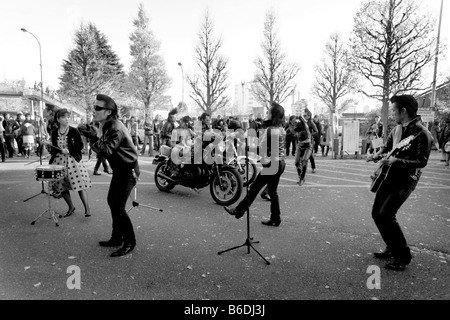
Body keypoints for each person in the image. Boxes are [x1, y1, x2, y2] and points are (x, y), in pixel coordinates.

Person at [367, 95, 432, 271]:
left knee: (387, 214)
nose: (392, 114)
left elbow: (421, 161)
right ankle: (391, 247)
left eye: (394, 110)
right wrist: (376, 156)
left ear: (403, 111)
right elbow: (387, 149)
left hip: (405, 180)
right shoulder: (397, 129)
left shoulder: (422, 134)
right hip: (388, 176)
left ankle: (402, 256)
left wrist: (397, 161)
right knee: (376, 213)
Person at [79, 94, 139, 257]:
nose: (94, 110)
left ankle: (129, 242)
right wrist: (94, 135)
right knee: (112, 202)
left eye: (98, 108)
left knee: (118, 206)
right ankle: (117, 238)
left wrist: (92, 136)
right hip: (120, 169)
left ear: (108, 112)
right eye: (94, 107)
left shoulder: (114, 127)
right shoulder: (107, 125)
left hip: (128, 170)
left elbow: (106, 151)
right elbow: (103, 149)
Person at [224, 102, 286, 227]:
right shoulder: (281, 129)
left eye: (268, 112)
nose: (266, 114)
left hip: (272, 165)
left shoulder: (270, 130)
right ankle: (276, 218)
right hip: (280, 163)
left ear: (272, 115)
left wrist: (246, 147)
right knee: (273, 192)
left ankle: (239, 211)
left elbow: (259, 148)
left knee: (254, 188)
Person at [48, 108, 92, 218]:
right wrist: (56, 149)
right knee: (62, 185)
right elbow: (53, 149)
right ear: (58, 119)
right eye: (63, 117)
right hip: (58, 161)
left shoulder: (74, 130)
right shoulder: (54, 132)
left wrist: (70, 150)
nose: (67, 119)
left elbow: (80, 146)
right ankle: (71, 207)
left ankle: (87, 208)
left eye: (68, 117)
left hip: (73, 160)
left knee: (79, 184)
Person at [294, 116, 312, 186]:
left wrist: (300, 117)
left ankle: (302, 178)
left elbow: (304, 122)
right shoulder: (297, 130)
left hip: (308, 146)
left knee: (304, 160)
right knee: (296, 162)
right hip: (300, 146)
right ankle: (300, 176)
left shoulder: (306, 127)